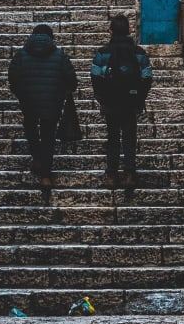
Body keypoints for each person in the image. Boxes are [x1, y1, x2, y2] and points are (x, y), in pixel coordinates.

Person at [8, 23, 77, 198]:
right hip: (52, 102)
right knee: (48, 135)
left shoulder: (22, 55)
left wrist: (22, 94)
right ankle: (46, 176)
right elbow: (71, 78)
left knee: (30, 125)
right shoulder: (59, 55)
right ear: (51, 38)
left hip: (28, 100)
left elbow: (13, 77)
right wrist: (62, 92)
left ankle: (37, 158)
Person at [90, 14, 153, 194]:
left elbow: (95, 76)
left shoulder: (102, 53)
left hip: (110, 101)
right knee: (129, 138)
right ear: (129, 31)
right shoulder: (139, 53)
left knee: (112, 139)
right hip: (130, 102)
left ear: (110, 31)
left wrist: (101, 97)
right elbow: (147, 77)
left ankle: (111, 175)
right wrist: (139, 98)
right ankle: (129, 174)